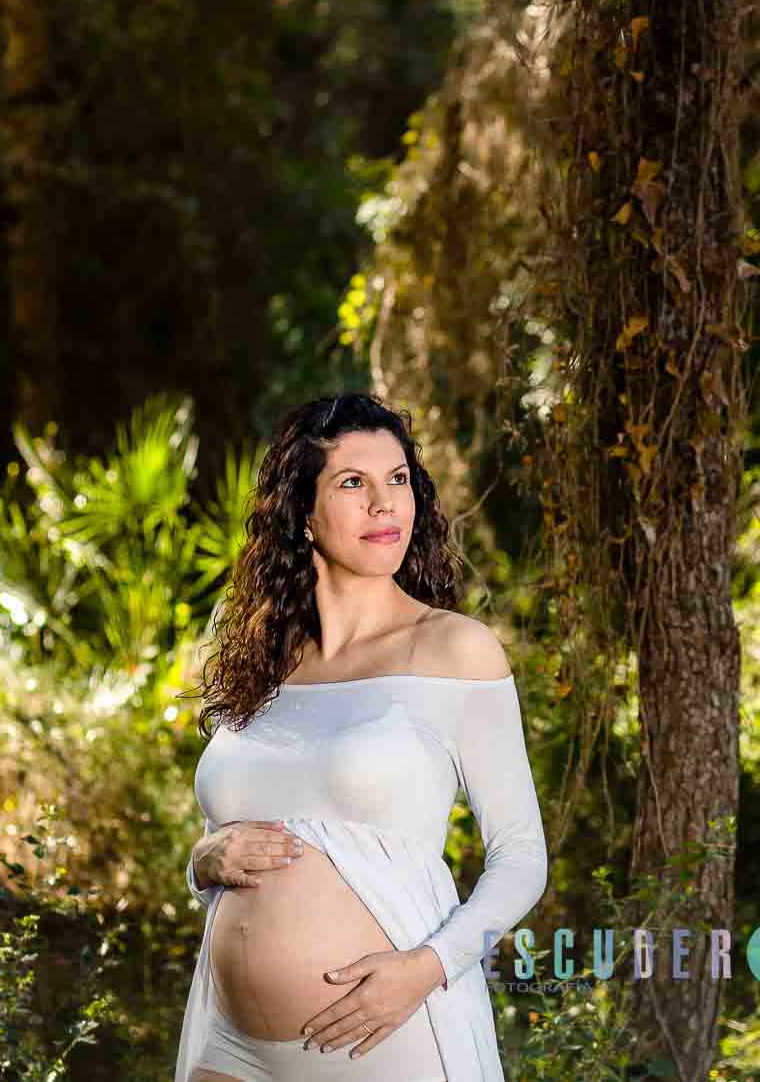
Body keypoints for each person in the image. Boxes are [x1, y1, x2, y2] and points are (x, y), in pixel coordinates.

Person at [175, 393, 549, 1081]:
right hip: (232, 1044)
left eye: (399, 479)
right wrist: (203, 858)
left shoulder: (453, 649)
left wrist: (427, 969)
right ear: (302, 514)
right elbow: (221, 844)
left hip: (382, 1037)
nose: (385, 504)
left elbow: (522, 856)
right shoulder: (264, 658)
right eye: (354, 483)